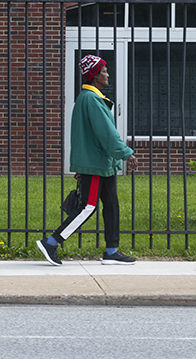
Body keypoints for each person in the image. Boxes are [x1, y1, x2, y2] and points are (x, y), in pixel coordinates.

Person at [37, 54, 138, 266]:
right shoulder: (91, 99)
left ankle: (112, 250)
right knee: (87, 207)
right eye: (103, 71)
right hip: (94, 164)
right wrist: (126, 153)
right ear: (93, 76)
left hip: (102, 164)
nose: (107, 74)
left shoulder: (89, 98)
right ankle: (52, 242)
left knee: (111, 205)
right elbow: (106, 133)